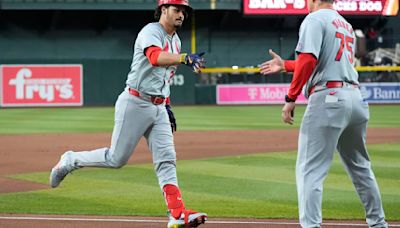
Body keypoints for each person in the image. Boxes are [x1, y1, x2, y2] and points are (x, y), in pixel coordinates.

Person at [49, 0, 207, 227]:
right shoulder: (151, 31)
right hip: (135, 102)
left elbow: (164, 78)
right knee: (116, 159)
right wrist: (184, 58)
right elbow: (154, 57)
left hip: (159, 106)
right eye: (176, 9)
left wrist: (167, 105)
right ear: (163, 10)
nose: (181, 14)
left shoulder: (176, 40)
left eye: (184, 11)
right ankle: (70, 159)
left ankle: (176, 213)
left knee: (167, 160)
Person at [259, 0, 387, 227]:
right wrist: (287, 65)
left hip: (329, 98)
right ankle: (379, 224)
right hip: (355, 99)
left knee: (310, 171)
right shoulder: (345, 24)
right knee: (361, 169)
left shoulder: (314, 18)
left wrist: (290, 98)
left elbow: (309, 60)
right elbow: (325, 60)